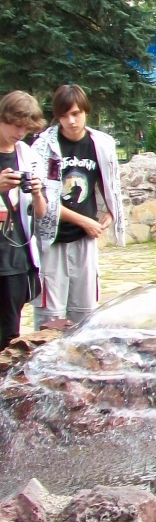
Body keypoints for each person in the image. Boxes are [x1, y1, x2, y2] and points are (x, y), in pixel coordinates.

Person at [31, 84, 126, 331]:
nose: (71, 121)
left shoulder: (100, 144)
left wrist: (110, 213)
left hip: (85, 238)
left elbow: (110, 184)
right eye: (64, 116)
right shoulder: (44, 146)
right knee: (50, 315)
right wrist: (84, 221)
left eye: (76, 114)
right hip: (52, 238)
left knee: (85, 312)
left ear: (86, 111)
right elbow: (44, 198)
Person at [0, 92, 49, 350]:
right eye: (16, 125)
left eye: (26, 128)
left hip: (16, 256)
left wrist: (38, 192)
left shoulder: (27, 155)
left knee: (10, 334)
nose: (20, 133)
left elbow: (41, 213)